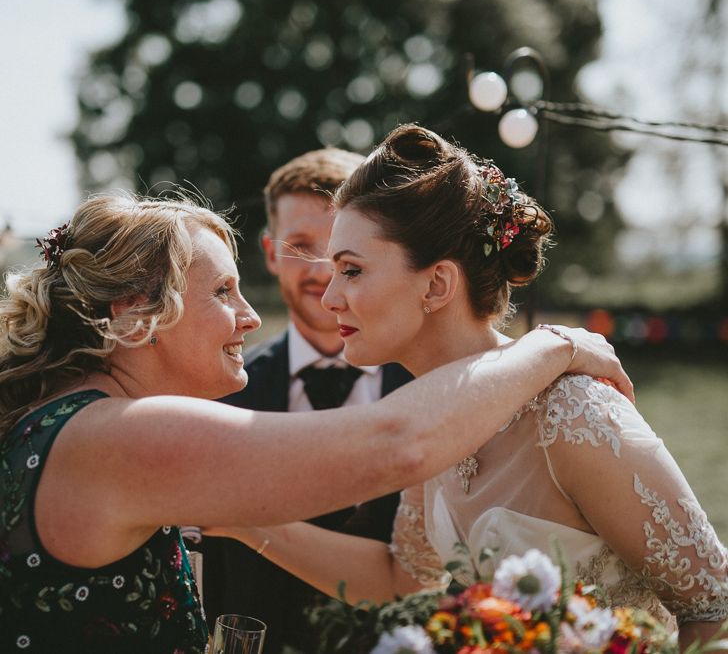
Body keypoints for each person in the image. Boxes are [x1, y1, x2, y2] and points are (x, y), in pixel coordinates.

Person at [0, 192, 627, 653]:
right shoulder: (119, 437)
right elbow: (398, 444)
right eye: (222, 292)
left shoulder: (63, 422)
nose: (250, 317)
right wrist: (551, 347)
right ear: (137, 311)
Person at [204, 125, 728, 648]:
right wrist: (241, 523)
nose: (330, 297)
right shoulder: (434, 416)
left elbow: (713, 609)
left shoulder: (572, 411)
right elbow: (400, 581)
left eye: (352, 270)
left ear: (436, 285)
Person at [200, 148, 412, 653]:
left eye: (343, 254)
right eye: (300, 246)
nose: (322, 270)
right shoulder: (223, 391)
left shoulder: (428, 383)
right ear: (271, 252)